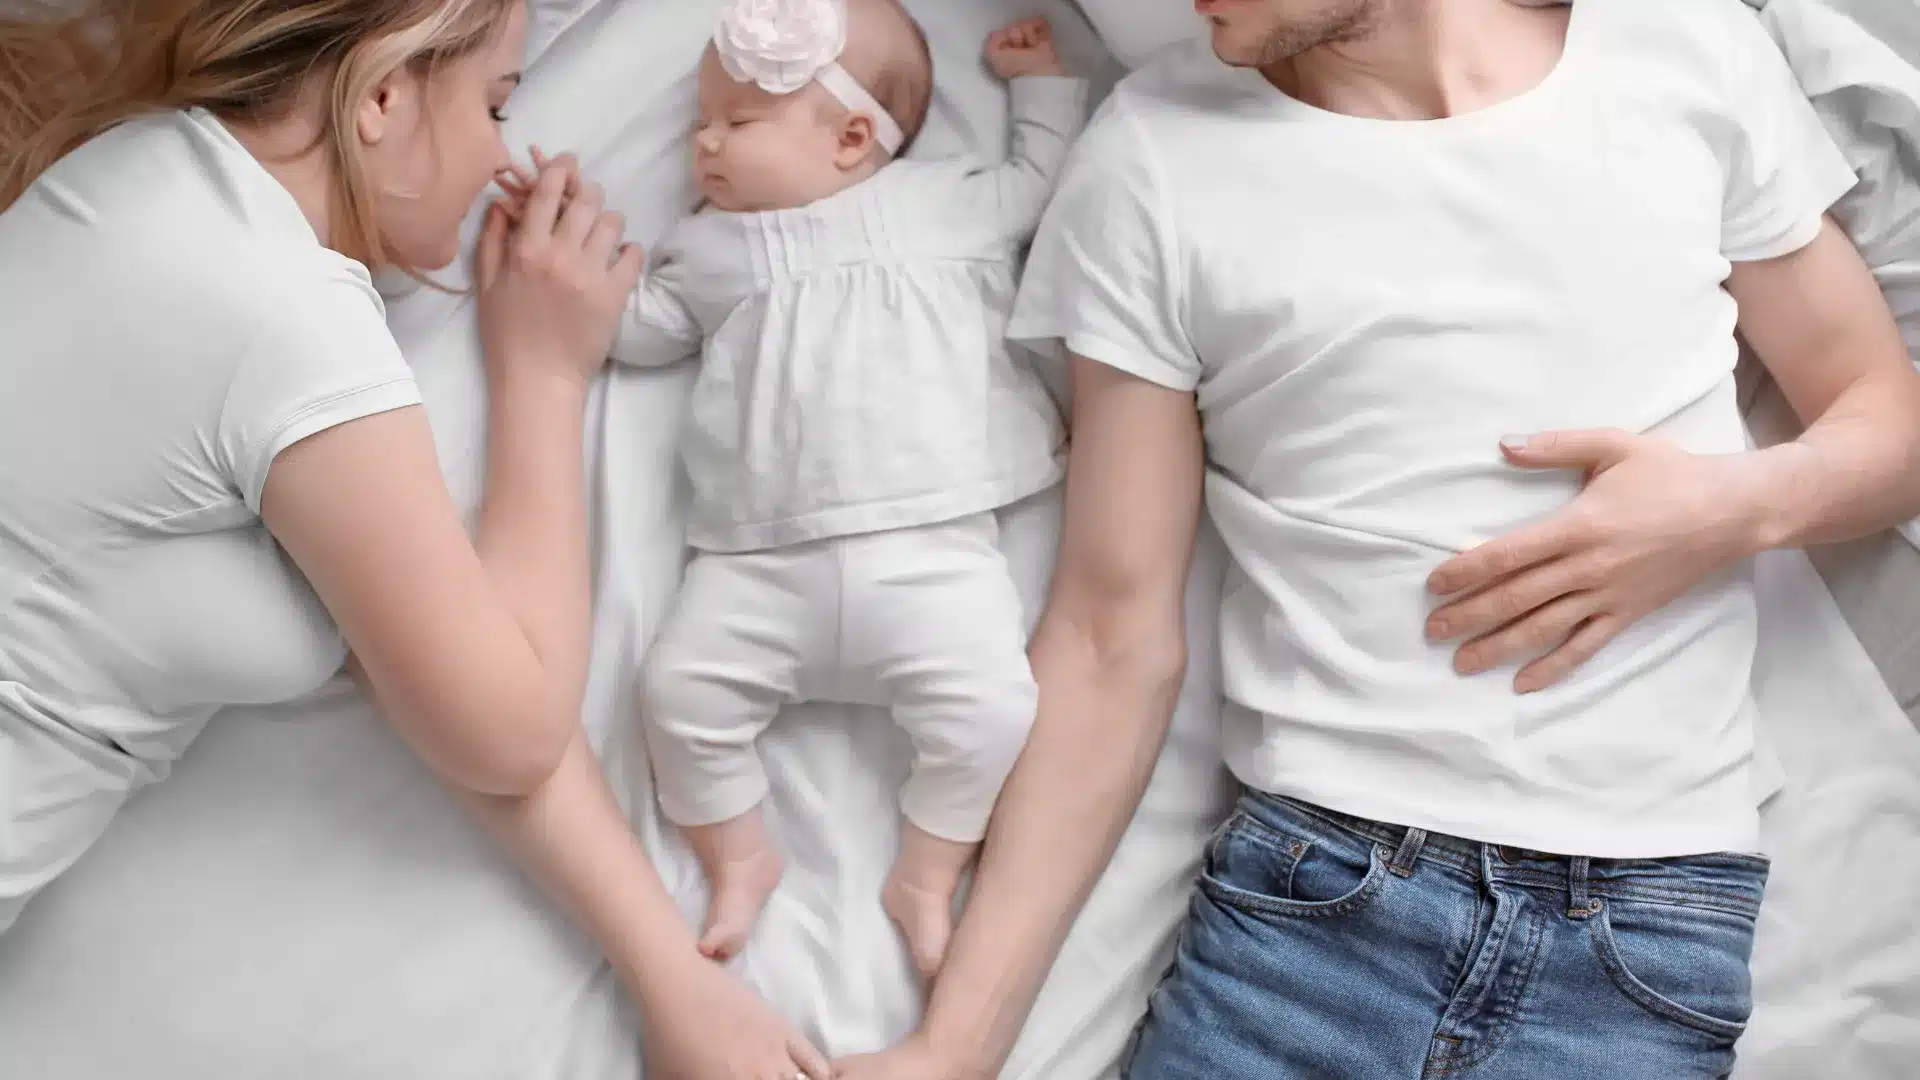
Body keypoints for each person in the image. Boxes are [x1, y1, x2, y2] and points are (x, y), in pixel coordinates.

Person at [834, 0, 1920, 1078]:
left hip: (1645, 937)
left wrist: (1727, 511)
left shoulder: (1678, 46)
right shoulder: (1149, 159)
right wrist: (949, 1051)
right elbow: (1105, 640)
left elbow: (1887, 420)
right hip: (1310, 912)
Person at [0, 2, 832, 1077]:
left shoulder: (127, 180)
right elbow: (510, 727)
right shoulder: (284, 316)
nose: (502, 154)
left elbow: (435, 670)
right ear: (385, 94)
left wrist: (672, 977)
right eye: (496, 101)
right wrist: (543, 374)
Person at [601, 0, 1085, 977]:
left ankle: (927, 872)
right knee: (675, 697)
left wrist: (1040, 86)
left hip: (933, 555)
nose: (703, 142)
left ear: (854, 136)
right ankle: (740, 858)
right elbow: (638, 331)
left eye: (736, 121)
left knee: (993, 713)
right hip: (754, 570)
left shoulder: (946, 200)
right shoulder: (704, 251)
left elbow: (1041, 182)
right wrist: (583, 278)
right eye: (703, 121)